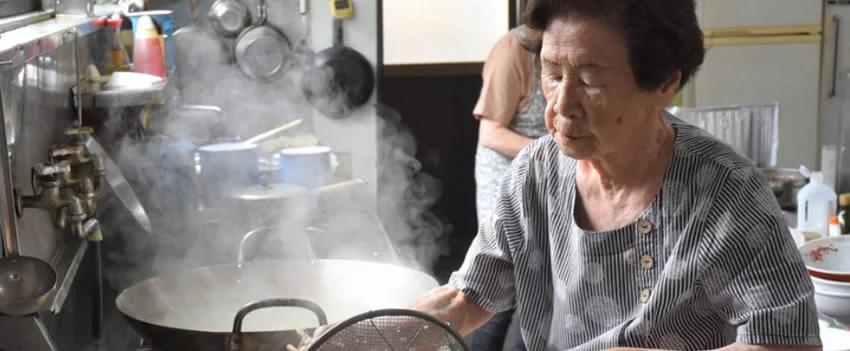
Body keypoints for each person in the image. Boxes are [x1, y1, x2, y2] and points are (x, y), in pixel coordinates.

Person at [406, 0, 822, 349]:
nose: (561, 106)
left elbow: (789, 342)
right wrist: (350, 339)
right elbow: (464, 299)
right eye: (551, 75)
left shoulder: (727, 193)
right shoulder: (535, 173)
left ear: (664, 83)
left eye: (589, 80)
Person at [468, 24, 547, 351]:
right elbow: (491, 134)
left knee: (534, 283)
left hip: (544, 180)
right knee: (499, 286)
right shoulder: (513, 52)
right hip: (506, 184)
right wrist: (552, 151)